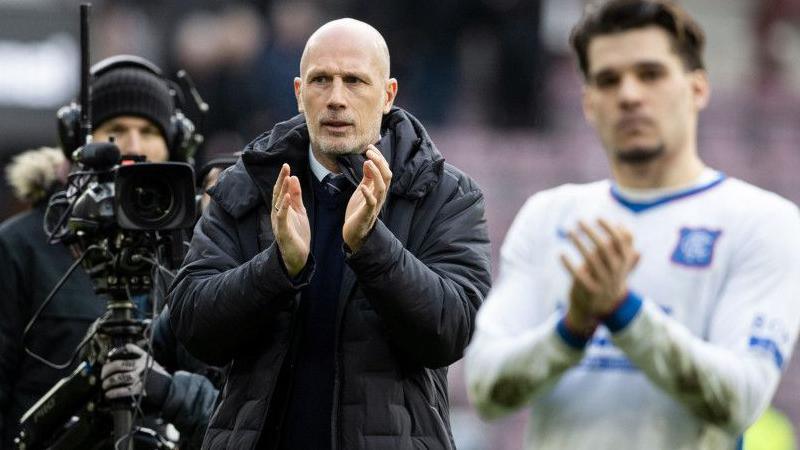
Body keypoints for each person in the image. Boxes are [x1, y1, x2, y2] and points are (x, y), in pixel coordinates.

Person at [464, 1, 800, 449]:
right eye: (608, 80)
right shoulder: (550, 216)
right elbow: (485, 390)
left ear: (698, 88)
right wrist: (572, 329)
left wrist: (625, 312)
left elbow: (740, 400)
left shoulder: (763, 222)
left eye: (651, 74)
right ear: (588, 104)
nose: (629, 95)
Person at [168, 18, 491, 450]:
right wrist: (278, 267)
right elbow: (191, 324)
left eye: (355, 81)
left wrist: (371, 246)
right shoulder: (246, 184)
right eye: (322, 80)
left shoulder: (445, 194)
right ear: (300, 93)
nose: (336, 98)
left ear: (388, 95)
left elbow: (453, 330)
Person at [0, 56, 216, 448]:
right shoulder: (18, 248)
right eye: (115, 130)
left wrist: (168, 391)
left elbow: (233, 409)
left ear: (175, 143)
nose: (133, 146)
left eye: (148, 130)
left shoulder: (202, 251)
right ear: (78, 145)